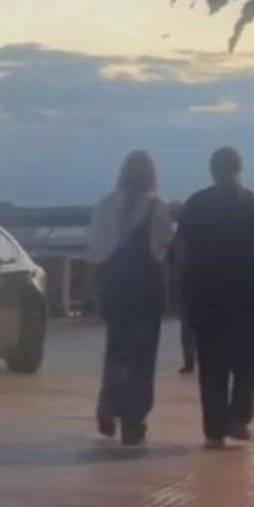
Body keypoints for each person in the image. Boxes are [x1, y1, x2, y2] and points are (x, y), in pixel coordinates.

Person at [177, 147, 254, 449]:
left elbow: (182, 253)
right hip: (245, 297)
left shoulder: (196, 204)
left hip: (205, 297)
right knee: (248, 360)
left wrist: (180, 293)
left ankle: (214, 428)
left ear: (212, 171)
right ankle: (239, 416)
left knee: (211, 364)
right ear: (239, 168)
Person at [88, 151, 174, 446]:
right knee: (142, 356)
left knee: (116, 349)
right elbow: (160, 252)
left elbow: (95, 252)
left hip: (113, 290)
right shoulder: (157, 206)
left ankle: (108, 404)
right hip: (144, 291)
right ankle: (133, 419)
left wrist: (97, 290)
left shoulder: (104, 205)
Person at [169, 230, 196, 374]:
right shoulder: (181, 247)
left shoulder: (179, 249)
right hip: (189, 293)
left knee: (188, 330)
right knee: (188, 330)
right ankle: (190, 361)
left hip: (190, 292)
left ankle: (190, 361)